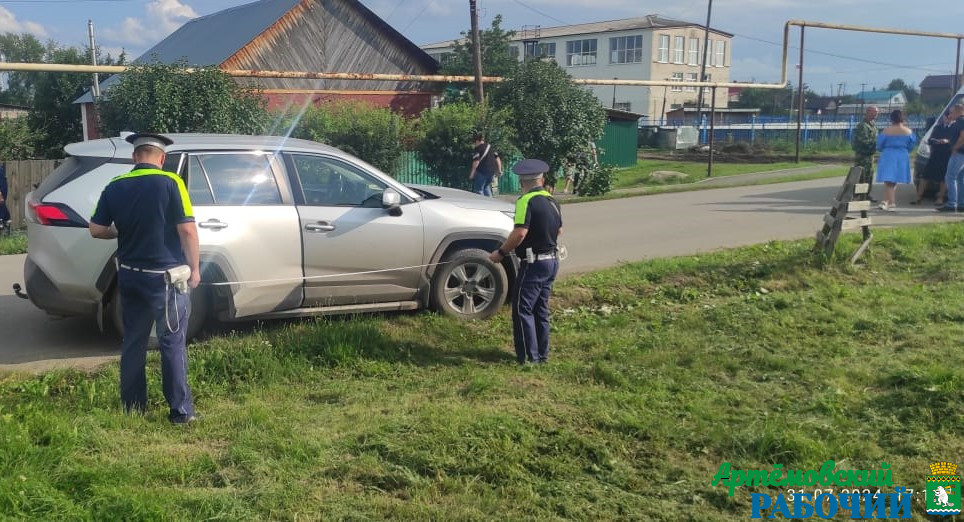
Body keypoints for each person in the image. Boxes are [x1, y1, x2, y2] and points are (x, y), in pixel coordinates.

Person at [89, 133, 200, 424]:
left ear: (134, 157)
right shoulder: (171, 182)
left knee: (133, 341)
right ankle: (180, 411)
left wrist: (119, 232)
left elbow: (96, 229)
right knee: (171, 343)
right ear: (162, 158)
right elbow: (187, 230)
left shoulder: (115, 186)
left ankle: (133, 408)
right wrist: (196, 269)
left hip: (129, 277)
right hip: (165, 280)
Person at [489, 159, 562, 365]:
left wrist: (501, 253)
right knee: (540, 309)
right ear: (542, 179)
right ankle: (542, 356)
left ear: (522, 182)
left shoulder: (525, 201)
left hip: (533, 264)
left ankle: (529, 358)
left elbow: (520, 232)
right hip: (552, 261)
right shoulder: (552, 200)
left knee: (522, 309)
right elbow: (559, 230)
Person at [874, 110, 916, 212]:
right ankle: (885, 201)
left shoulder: (886, 131)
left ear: (891, 118)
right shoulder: (909, 131)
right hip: (902, 155)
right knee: (893, 180)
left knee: (888, 180)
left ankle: (892, 203)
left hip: (888, 154)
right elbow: (912, 145)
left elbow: (879, 145)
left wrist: (885, 148)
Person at [913, 108, 956, 205]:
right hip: (935, 154)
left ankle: (940, 198)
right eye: (947, 116)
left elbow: (956, 140)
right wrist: (936, 141)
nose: (948, 118)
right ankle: (919, 197)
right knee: (925, 176)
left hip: (947, 155)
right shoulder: (938, 127)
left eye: (951, 116)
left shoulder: (955, 128)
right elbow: (930, 139)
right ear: (945, 116)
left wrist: (947, 141)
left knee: (943, 178)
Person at [938, 103, 964, 213]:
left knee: (950, 177)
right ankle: (961, 204)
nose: (950, 114)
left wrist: (955, 148)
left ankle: (952, 204)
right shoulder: (958, 122)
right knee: (960, 179)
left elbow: (963, 136)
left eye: (952, 112)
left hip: (959, 153)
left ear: (959, 111)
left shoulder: (961, 121)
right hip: (962, 153)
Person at [852, 105, 879, 202]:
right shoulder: (862, 125)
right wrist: (878, 144)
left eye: (877, 112)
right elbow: (864, 141)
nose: (876, 114)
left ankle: (866, 194)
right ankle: (858, 195)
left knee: (869, 176)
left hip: (870, 155)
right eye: (874, 112)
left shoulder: (873, 125)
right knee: (861, 176)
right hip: (862, 156)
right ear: (868, 112)